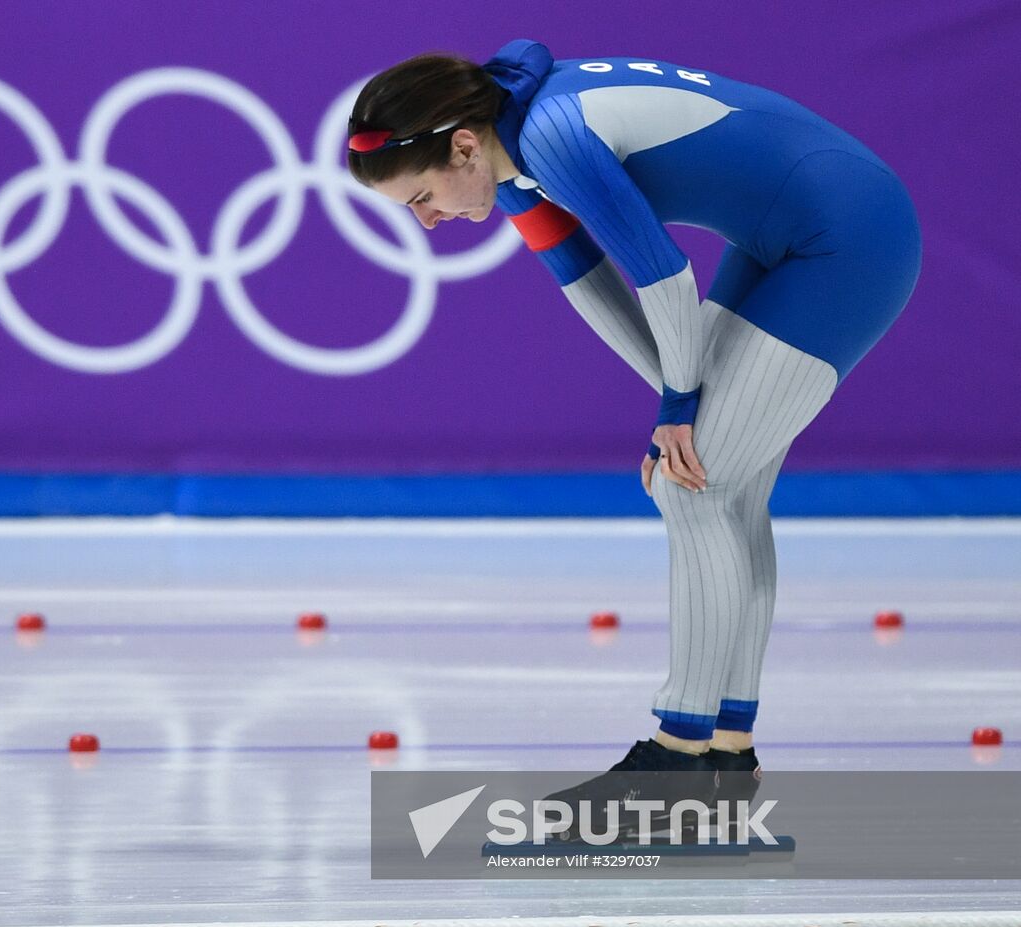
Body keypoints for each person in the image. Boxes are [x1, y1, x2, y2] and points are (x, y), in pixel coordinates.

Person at [348, 40, 921, 830]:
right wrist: (674, 398)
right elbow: (589, 285)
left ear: (462, 146)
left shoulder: (550, 134)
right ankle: (724, 756)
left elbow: (664, 275)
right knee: (724, 491)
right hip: (799, 228)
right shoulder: (510, 152)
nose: (426, 221)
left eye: (421, 196)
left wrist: (683, 404)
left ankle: (676, 759)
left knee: (695, 485)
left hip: (848, 236)